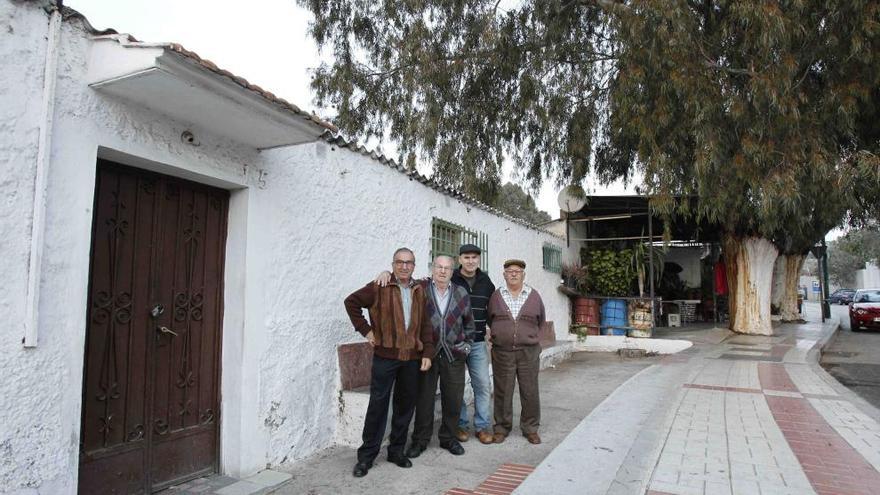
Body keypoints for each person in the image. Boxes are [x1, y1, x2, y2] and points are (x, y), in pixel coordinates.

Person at [343, 248, 434, 478]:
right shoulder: (379, 285)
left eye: (409, 263)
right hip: (385, 358)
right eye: (400, 262)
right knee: (378, 407)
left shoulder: (420, 290)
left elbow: (425, 324)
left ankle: (396, 451)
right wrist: (366, 331)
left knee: (405, 408)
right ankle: (366, 457)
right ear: (393, 264)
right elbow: (351, 302)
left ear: (414, 265)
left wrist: (427, 353)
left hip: (412, 359)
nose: (404, 267)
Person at [406, 255, 476, 457]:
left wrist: (466, 347)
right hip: (426, 355)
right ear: (432, 269)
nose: (443, 271)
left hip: (454, 355)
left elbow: (470, 324)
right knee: (425, 400)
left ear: (452, 272)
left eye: (447, 268)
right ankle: (420, 441)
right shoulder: (420, 290)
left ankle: (449, 439)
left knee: (453, 400)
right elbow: (400, 280)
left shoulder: (461, 293)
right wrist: (385, 273)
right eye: (439, 267)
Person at [487, 259, 546, 445]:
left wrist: (533, 342)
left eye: (518, 271)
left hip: (528, 352)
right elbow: (490, 319)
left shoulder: (534, 296)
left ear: (523, 275)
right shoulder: (496, 296)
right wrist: (501, 335)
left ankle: (530, 428)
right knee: (503, 391)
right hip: (502, 351)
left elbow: (541, 321)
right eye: (510, 271)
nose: (513, 274)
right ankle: (502, 428)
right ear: (504, 275)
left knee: (529, 390)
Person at [452, 244, 496, 445]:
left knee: (483, 385)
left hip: (478, 343)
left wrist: (494, 332)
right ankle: (460, 425)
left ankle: (482, 426)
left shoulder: (486, 282)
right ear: (459, 259)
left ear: (479, 260)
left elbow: (492, 311)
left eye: (474, 257)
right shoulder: (450, 278)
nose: (470, 261)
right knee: (456, 386)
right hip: (455, 344)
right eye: (466, 257)